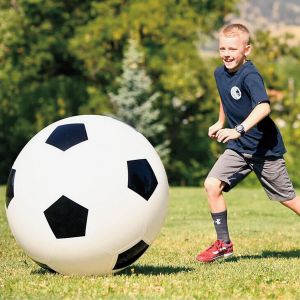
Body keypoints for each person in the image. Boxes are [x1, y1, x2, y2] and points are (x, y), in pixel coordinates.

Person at [196, 23, 300, 263]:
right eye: (222, 48)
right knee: (212, 184)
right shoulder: (219, 73)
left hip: (264, 150)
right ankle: (224, 244)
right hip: (239, 148)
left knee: (288, 199)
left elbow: (263, 106)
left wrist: (238, 129)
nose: (227, 53)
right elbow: (225, 98)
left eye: (233, 48)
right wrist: (220, 122)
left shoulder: (250, 75)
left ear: (247, 50)